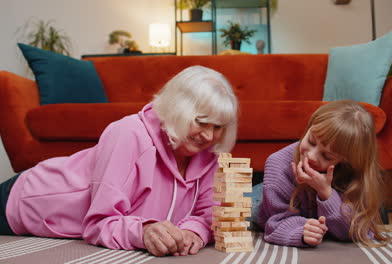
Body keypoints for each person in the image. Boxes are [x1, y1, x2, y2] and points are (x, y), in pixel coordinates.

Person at [0, 65, 238, 257]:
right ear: (179, 110)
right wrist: (142, 231)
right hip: (25, 200)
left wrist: (193, 231)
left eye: (217, 127)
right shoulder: (128, 134)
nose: (209, 135)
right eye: (201, 122)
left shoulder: (208, 153)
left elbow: (210, 214)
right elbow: (98, 224)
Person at [256, 100, 388, 248]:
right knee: (244, 209)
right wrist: (302, 231)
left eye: (327, 156)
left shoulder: (353, 172)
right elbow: (274, 223)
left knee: (372, 212)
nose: (311, 156)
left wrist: (326, 193)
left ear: (346, 160)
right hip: (266, 198)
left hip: (320, 204)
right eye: (311, 141)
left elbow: (360, 231)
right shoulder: (278, 164)